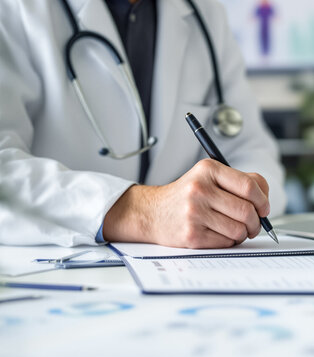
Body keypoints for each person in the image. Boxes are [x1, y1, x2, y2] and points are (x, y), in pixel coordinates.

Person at [0, 0, 287, 248]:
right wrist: (143, 212)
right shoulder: (14, 9)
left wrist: (232, 209)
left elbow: (250, 150)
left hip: (185, 270)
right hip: (53, 277)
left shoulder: (203, 12)